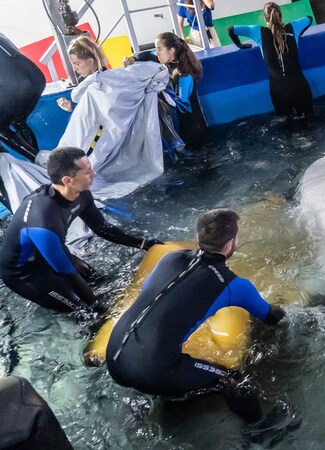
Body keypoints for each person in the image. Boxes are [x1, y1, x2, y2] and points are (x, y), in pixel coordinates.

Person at [105, 209, 288, 435]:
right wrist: (288, 310)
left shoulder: (169, 258)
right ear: (231, 244)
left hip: (113, 356)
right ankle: (261, 432)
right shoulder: (234, 285)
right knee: (230, 380)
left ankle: (167, 395)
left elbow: (152, 295)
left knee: (169, 367)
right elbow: (270, 317)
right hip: (154, 370)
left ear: (198, 236)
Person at [0, 147, 161, 314]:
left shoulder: (81, 194)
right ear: (68, 180)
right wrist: (99, 309)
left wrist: (144, 244)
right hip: (24, 274)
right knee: (83, 310)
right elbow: (67, 271)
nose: (94, 174)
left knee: (99, 281)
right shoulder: (43, 219)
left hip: (49, 254)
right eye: (88, 171)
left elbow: (103, 229)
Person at [125, 32, 206, 157]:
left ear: (171, 50)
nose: (157, 53)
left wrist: (159, 92)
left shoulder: (184, 74)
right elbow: (150, 55)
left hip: (194, 128)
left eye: (159, 50)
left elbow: (182, 106)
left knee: (200, 162)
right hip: (185, 124)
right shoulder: (171, 62)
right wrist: (134, 58)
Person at [228, 2, 313, 119]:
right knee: (309, 121)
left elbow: (231, 29)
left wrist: (240, 45)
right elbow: (309, 19)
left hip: (278, 91)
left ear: (265, 17)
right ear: (281, 16)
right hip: (300, 87)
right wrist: (298, 35)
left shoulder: (258, 32)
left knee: (287, 127)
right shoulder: (293, 28)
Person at [0, 33, 46, 160]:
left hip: (15, 85)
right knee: (19, 120)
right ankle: (38, 159)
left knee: (1, 126)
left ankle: (38, 161)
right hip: (37, 79)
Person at [57, 36, 110, 112]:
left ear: (90, 61)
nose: (74, 69)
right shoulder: (83, 80)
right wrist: (71, 109)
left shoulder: (107, 82)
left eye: (77, 64)